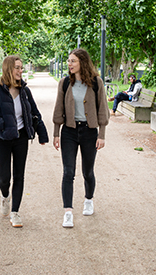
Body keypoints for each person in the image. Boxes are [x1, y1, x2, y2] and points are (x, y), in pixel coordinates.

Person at [0, 55, 49, 228]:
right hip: (3, 139)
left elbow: (35, 113)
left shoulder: (25, 92)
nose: (21, 70)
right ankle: (5, 197)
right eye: (17, 67)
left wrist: (42, 133)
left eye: (21, 67)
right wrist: (3, 124)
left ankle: (15, 212)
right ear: (8, 69)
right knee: (5, 178)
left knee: (19, 175)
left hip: (21, 138)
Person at [52, 48, 110, 228]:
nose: (69, 64)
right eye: (69, 61)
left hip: (89, 132)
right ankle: (68, 212)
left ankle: (88, 200)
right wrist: (56, 132)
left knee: (88, 171)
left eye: (73, 61)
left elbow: (103, 110)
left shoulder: (96, 82)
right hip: (69, 131)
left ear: (82, 63)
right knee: (68, 172)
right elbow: (58, 109)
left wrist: (102, 135)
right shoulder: (64, 83)